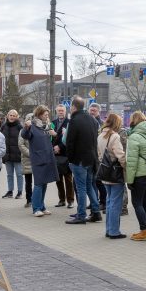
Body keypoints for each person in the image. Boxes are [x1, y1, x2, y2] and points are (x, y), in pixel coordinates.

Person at [64, 96, 102, 225]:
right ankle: (96, 212)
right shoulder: (92, 120)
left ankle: (81, 215)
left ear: (73, 107)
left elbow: (70, 142)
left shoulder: (74, 120)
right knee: (89, 185)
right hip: (91, 159)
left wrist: (70, 158)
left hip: (78, 160)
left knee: (81, 188)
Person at [21, 105, 58, 217]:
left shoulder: (46, 126)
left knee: (44, 183)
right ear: (40, 114)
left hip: (48, 158)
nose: (47, 116)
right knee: (38, 184)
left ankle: (42, 206)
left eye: (48, 115)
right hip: (38, 159)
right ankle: (36, 208)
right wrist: (26, 127)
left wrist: (55, 134)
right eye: (45, 114)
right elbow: (25, 135)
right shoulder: (32, 125)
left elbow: (51, 140)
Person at [125, 111, 146, 241]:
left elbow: (132, 162)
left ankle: (144, 231)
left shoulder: (134, 137)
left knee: (137, 203)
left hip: (140, 174)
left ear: (134, 121)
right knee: (145, 203)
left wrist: (129, 180)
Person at [97, 113, 128, 239]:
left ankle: (109, 229)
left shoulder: (100, 135)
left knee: (110, 201)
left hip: (105, 172)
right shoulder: (114, 136)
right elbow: (120, 155)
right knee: (115, 203)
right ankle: (114, 231)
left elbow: (99, 155)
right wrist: (126, 167)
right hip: (115, 173)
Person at [52, 104, 74, 209]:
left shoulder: (69, 123)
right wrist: (53, 148)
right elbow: (50, 137)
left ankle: (70, 200)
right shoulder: (53, 123)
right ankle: (61, 200)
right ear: (56, 112)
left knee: (68, 179)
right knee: (58, 179)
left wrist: (60, 146)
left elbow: (69, 138)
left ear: (65, 112)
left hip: (66, 154)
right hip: (55, 155)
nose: (61, 112)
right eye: (59, 111)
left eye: (62, 111)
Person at [0, 109, 24, 199]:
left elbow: (23, 141)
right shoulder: (3, 126)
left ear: (17, 117)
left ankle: (20, 192)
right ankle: (10, 191)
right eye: (11, 115)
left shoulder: (19, 127)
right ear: (7, 116)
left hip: (17, 154)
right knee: (9, 174)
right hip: (7, 155)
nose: (12, 117)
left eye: (14, 115)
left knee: (19, 174)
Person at [17, 114, 34, 208]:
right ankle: (29, 200)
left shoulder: (38, 130)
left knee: (38, 182)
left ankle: (37, 199)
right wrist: (31, 154)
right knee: (28, 182)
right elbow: (21, 144)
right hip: (27, 159)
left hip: (37, 159)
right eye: (29, 120)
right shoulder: (22, 131)